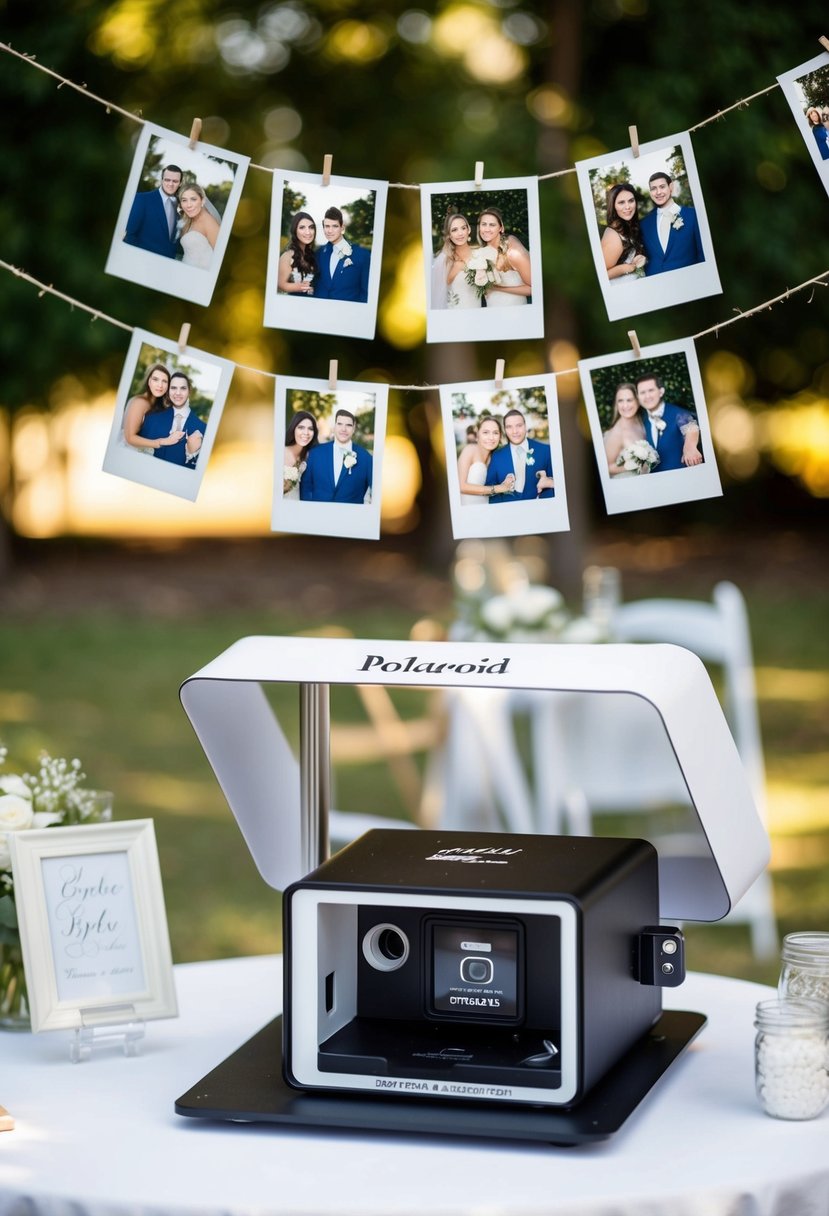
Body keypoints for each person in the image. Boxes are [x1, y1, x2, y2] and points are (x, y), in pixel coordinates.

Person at [299, 408, 372, 503]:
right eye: (340, 424)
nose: (343, 429)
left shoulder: (366, 458)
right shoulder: (315, 453)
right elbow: (306, 487)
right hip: (318, 515)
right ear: (334, 426)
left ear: (354, 429)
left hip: (351, 516)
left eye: (348, 425)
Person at [634, 373, 703, 472]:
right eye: (642, 392)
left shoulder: (678, 413)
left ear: (661, 392)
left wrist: (690, 447)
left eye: (651, 390)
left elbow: (691, 428)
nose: (647, 396)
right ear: (638, 397)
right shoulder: (641, 422)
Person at [640, 172, 704, 276]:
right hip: (657, 286)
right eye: (653, 188)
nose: (658, 192)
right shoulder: (644, 224)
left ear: (670, 187)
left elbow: (702, 255)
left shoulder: (693, 215)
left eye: (662, 187)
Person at [138, 371, 206, 468]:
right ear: (168, 390)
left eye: (183, 388)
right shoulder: (151, 417)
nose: (178, 393)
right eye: (173, 388)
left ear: (189, 391)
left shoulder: (204, 429)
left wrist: (192, 454)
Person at [485, 408, 554, 502]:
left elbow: (555, 484)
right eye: (509, 427)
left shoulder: (546, 450)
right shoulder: (497, 456)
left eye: (519, 425)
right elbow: (490, 489)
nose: (515, 431)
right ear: (505, 429)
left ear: (525, 426)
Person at [121, 363, 185, 455]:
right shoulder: (139, 402)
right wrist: (161, 442)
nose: (160, 385)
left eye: (164, 381)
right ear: (149, 381)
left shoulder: (157, 405)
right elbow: (130, 438)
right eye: (155, 379)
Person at [124, 164, 183, 259]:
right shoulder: (142, 199)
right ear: (161, 180)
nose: (170, 184)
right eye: (167, 180)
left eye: (175, 181)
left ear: (180, 183)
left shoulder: (180, 205)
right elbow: (130, 235)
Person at [313, 207, 371, 302]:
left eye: (335, 226)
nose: (330, 230)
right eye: (327, 226)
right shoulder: (318, 253)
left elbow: (365, 292)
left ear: (342, 228)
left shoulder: (362, 255)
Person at [476, 208, 531, 306]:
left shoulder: (513, 253)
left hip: (515, 311)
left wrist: (497, 289)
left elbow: (534, 289)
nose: (487, 229)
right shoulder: (482, 253)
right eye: (483, 224)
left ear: (501, 228)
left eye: (492, 225)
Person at [457, 415, 515, 505]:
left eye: (495, 433)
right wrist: (497, 488)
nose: (491, 437)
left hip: (485, 509)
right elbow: (461, 486)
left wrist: (508, 480)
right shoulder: (470, 450)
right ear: (477, 435)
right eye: (485, 432)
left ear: (500, 437)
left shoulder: (495, 458)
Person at [602, 382, 655, 477]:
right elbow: (607, 466)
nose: (625, 406)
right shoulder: (617, 432)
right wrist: (632, 466)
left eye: (629, 400)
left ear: (638, 401)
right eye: (620, 401)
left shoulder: (640, 418)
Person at [430, 213, 481, 309]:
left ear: (468, 229)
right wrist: (455, 270)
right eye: (454, 230)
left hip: (477, 310)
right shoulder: (444, 259)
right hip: (456, 313)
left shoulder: (479, 256)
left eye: (463, 228)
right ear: (449, 235)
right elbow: (437, 295)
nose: (460, 233)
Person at [601, 184, 647, 282]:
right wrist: (626, 268)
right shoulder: (613, 235)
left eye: (631, 201)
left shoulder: (629, 225)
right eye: (621, 202)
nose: (628, 207)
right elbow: (601, 275)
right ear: (613, 206)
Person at [178, 184, 220, 269]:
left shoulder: (209, 222)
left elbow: (220, 256)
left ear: (203, 201)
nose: (188, 205)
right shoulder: (189, 221)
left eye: (193, 199)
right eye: (184, 200)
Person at [278, 212, 319, 296]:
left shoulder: (312, 255)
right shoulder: (287, 256)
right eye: (302, 227)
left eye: (311, 227)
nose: (308, 232)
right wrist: (300, 287)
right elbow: (280, 284)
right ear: (294, 230)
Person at [283, 410, 319, 498]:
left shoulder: (310, 456)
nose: (306, 433)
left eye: (310, 429)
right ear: (293, 428)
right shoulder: (280, 451)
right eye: (301, 427)